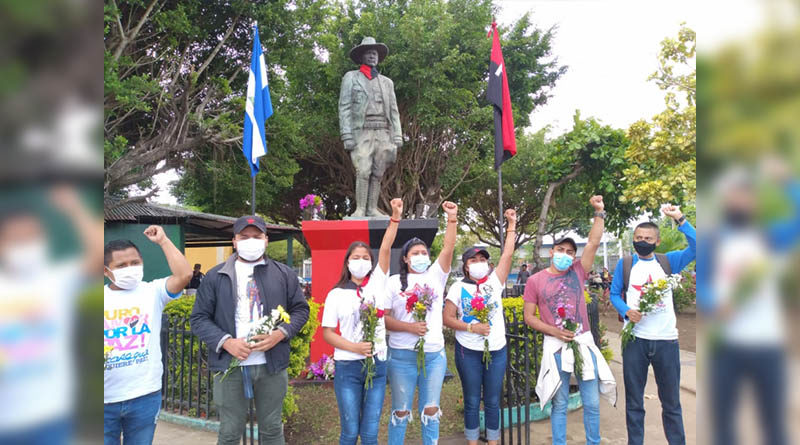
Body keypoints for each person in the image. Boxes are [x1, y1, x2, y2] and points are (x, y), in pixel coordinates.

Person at [698, 162, 797, 445]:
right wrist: (715, 302)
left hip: (768, 344)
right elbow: (703, 282)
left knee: (774, 422)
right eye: (734, 193)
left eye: (747, 194)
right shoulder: (713, 240)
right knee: (724, 424)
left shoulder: (770, 236)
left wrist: (786, 183)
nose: (741, 200)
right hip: (726, 346)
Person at [189, 215, 310, 445]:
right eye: (244, 237)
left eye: (257, 236)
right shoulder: (216, 276)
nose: (251, 241)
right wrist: (226, 342)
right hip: (230, 366)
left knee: (273, 429)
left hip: (271, 365)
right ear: (234, 241)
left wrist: (280, 334)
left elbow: (300, 310)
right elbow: (199, 318)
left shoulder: (283, 273)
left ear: (266, 240)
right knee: (229, 432)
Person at [0, 186, 101, 445]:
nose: (26, 246)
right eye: (17, 239)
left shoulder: (57, 280)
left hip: (53, 415)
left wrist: (75, 208)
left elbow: (97, 255)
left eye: (32, 237)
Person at [523, 195, 616, 445]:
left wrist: (599, 212)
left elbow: (594, 243)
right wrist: (553, 331)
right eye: (561, 250)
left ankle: (593, 442)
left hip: (583, 342)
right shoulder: (535, 281)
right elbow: (528, 317)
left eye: (570, 252)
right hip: (555, 346)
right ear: (552, 251)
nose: (565, 254)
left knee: (592, 402)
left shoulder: (577, 271)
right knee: (560, 402)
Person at [609, 205, 696, 445]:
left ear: (657, 241)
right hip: (635, 341)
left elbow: (699, 246)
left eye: (647, 238)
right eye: (638, 238)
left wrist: (680, 218)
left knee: (671, 402)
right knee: (634, 402)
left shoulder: (670, 262)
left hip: (666, 341)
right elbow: (615, 293)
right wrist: (626, 311)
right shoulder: (625, 264)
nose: (642, 242)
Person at [321, 198, 403, 445]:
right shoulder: (336, 294)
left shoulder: (378, 283)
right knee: (349, 431)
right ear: (348, 262)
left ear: (371, 262)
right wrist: (354, 347)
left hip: (377, 366)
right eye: (355, 257)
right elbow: (327, 333)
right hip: (347, 367)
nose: (361, 261)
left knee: (369, 433)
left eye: (365, 257)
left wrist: (395, 217)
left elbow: (386, 248)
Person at [104, 226, 193, 445]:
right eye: (121, 265)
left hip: (145, 395)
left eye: (135, 263)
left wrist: (163, 241)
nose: (130, 268)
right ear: (106, 271)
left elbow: (184, 275)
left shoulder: (153, 292)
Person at [384, 201, 458, 445]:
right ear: (405, 259)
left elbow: (448, 248)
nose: (420, 256)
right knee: (401, 411)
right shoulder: (394, 282)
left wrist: (452, 219)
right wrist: (409, 327)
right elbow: (383, 319)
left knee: (430, 409)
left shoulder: (436, 276)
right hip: (402, 356)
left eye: (424, 252)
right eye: (415, 253)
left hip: (434, 357)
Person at [443, 209, 517, 445]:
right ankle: (473, 441)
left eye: (482, 260)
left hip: (497, 350)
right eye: (473, 260)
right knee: (473, 399)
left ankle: (493, 441)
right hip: (468, 352)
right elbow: (447, 319)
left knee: (494, 400)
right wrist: (471, 328)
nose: (478, 263)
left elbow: (507, 254)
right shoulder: (457, 287)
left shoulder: (495, 282)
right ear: (465, 266)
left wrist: (512, 224)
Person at [338, 36, 403, 217]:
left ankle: (372, 208)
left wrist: (397, 134)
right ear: (362, 57)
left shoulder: (387, 82)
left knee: (378, 171)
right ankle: (360, 209)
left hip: (383, 131)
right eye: (369, 53)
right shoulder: (351, 78)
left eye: (375, 53)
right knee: (363, 169)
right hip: (362, 131)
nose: (372, 56)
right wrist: (347, 135)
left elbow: (394, 111)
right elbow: (344, 108)